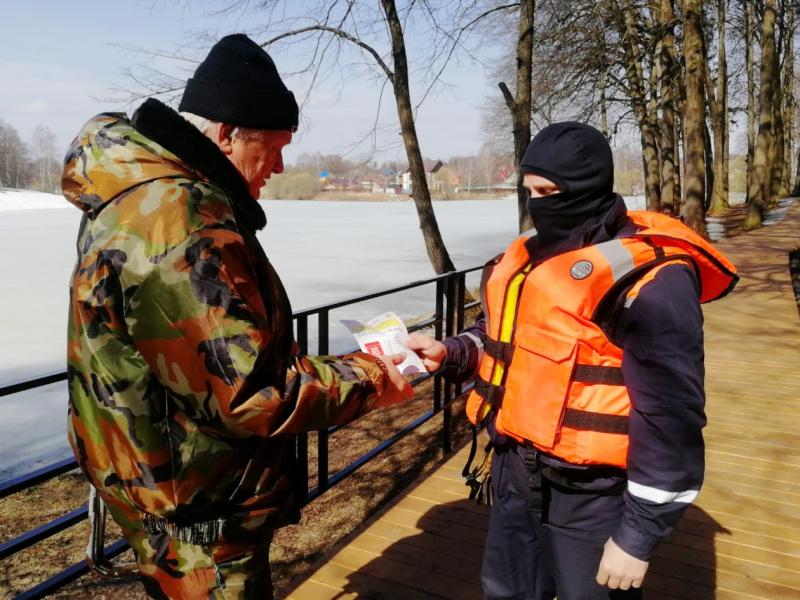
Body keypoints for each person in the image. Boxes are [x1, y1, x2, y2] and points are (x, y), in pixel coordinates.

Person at [62, 34, 412, 599]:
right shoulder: (181, 223)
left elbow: (211, 362)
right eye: (273, 147)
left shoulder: (143, 198)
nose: (278, 164)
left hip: (167, 488)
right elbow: (250, 395)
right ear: (227, 134)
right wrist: (378, 375)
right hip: (200, 514)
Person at [407, 122, 738, 600]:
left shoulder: (650, 279)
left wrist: (637, 537)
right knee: (506, 592)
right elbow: (500, 337)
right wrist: (451, 351)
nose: (537, 203)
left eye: (548, 191)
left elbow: (671, 414)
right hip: (513, 471)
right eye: (529, 191)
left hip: (594, 493)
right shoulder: (527, 256)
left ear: (586, 188)